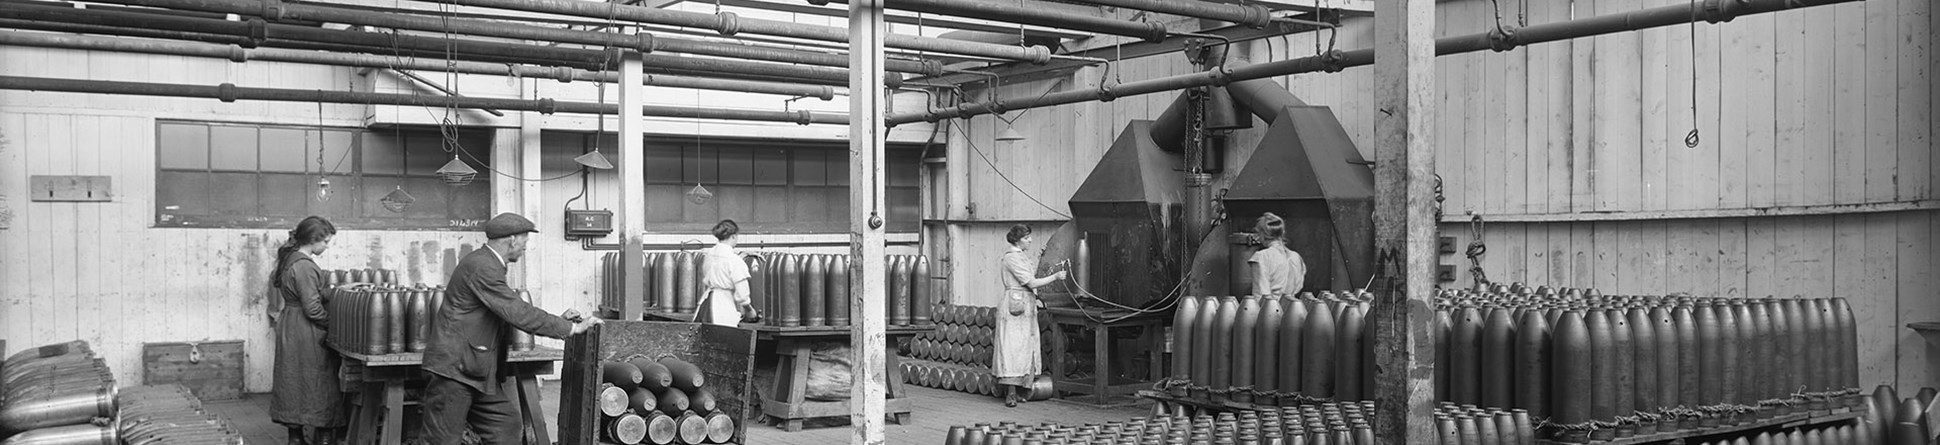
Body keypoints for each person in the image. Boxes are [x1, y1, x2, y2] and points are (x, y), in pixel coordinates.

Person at [419, 213, 601, 445]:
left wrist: (558, 319)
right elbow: (516, 311)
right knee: (441, 440)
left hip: (475, 369)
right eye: (524, 241)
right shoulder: (481, 266)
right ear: (512, 239)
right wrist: (571, 329)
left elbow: (507, 312)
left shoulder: (490, 264)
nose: (525, 247)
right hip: (455, 370)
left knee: (505, 424)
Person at [269, 216, 343, 445]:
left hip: (291, 326)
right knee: (319, 379)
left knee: (293, 379)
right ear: (313, 239)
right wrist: (334, 325)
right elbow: (312, 309)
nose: (327, 246)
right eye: (326, 242)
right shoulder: (304, 266)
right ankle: (324, 434)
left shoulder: (290, 259)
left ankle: (296, 436)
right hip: (305, 329)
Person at [994, 224, 1068, 407]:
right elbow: (1031, 281)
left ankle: (1020, 389)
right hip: (1015, 306)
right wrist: (1056, 277)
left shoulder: (1021, 257)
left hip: (1025, 304)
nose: (1030, 240)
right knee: (1012, 349)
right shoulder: (1012, 258)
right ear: (1017, 240)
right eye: (1027, 238)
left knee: (1024, 348)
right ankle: (1010, 392)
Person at [696, 219, 755, 327]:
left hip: (705, 303)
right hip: (722, 308)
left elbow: (719, 268)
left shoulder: (709, 255)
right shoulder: (734, 261)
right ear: (733, 236)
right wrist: (749, 310)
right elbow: (742, 294)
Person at [1248, 212, 1307, 295]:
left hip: (1270, 307)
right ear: (1282, 233)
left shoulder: (1262, 257)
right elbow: (1299, 286)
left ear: (1262, 234)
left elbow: (1260, 293)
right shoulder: (1296, 257)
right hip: (1292, 307)